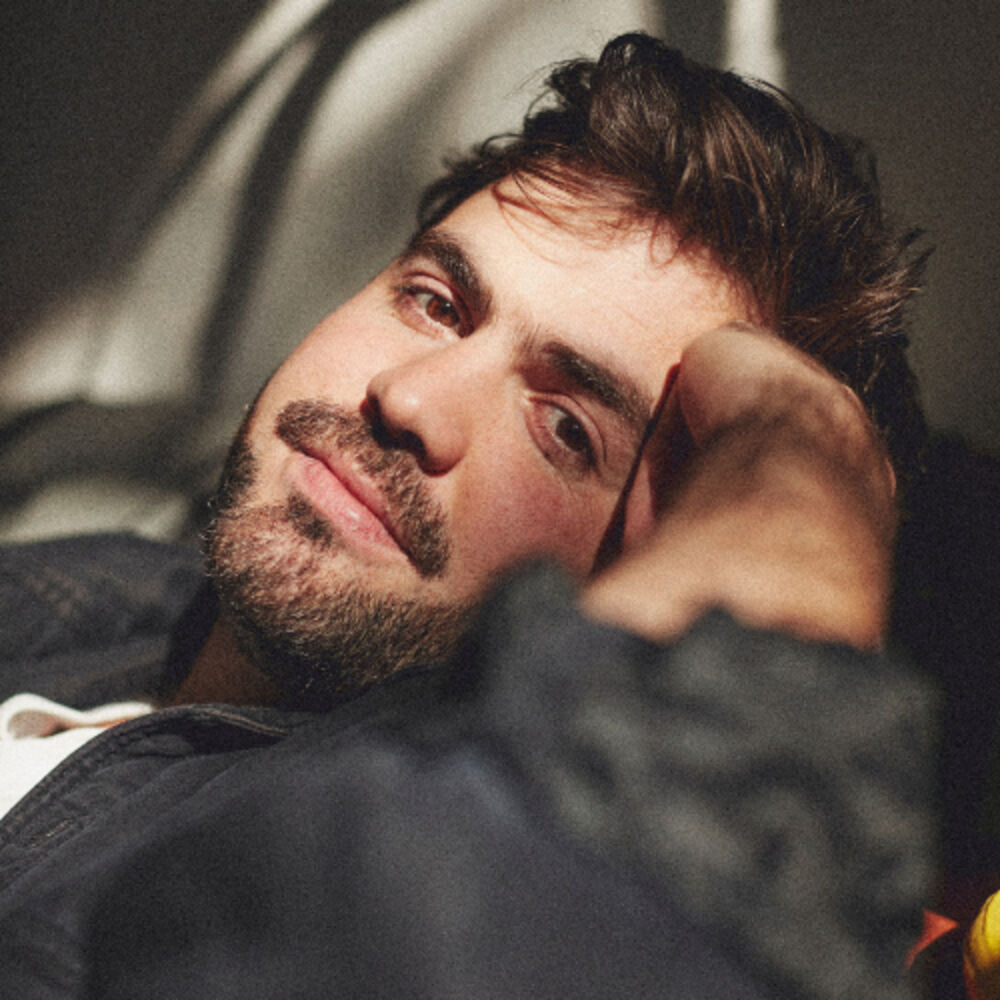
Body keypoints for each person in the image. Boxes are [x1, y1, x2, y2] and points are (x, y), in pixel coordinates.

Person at [0, 34, 933, 999]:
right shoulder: (101, 595)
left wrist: (803, 455)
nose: (410, 398)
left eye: (567, 428)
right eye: (436, 303)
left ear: (645, 569)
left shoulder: (387, 869)